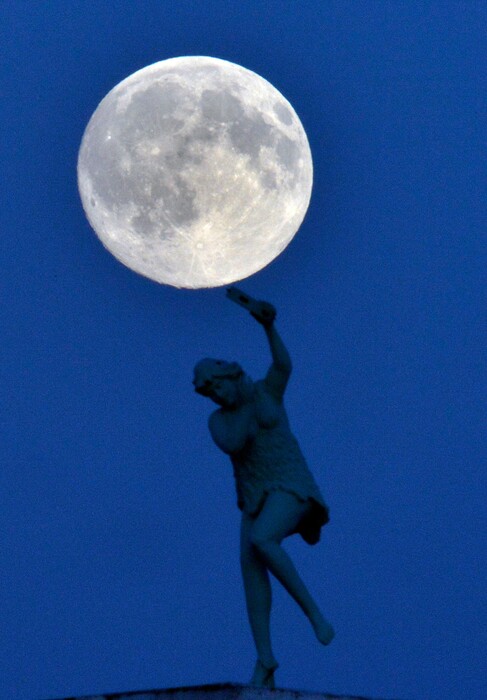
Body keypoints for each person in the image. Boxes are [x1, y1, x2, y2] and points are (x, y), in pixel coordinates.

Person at [193, 293, 334, 688]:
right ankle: (266, 659)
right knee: (250, 567)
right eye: (210, 393)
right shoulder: (219, 421)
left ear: (228, 376)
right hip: (254, 494)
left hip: (289, 481)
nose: (216, 396)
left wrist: (268, 325)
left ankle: (315, 616)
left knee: (262, 539)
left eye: (217, 387)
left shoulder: (265, 392)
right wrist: (242, 409)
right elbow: (236, 442)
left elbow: (283, 365)